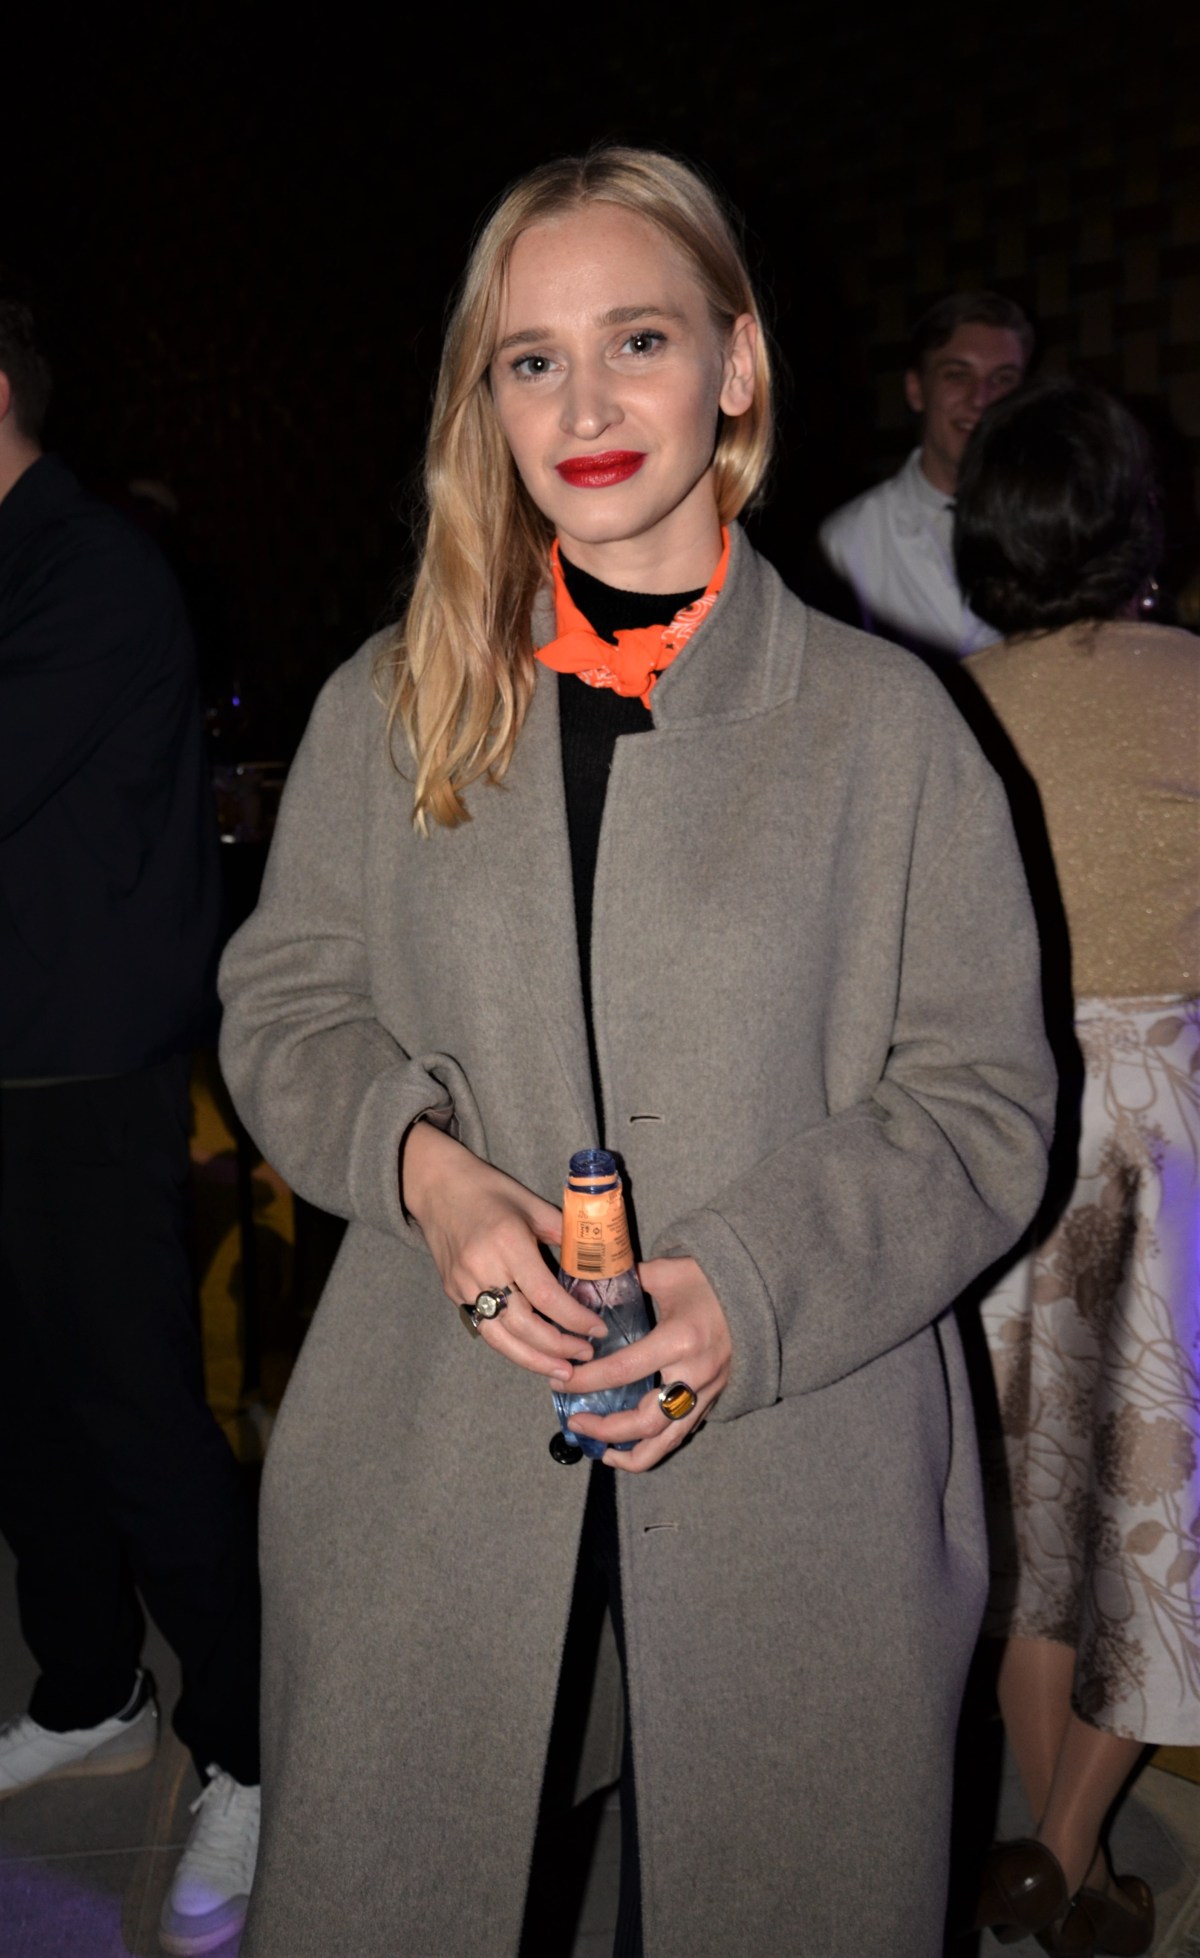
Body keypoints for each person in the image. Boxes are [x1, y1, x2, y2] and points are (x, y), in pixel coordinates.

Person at [217, 148, 1055, 1958]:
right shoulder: (394, 700)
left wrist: (750, 1282)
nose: (584, 406)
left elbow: (983, 1099)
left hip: (799, 1467)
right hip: (432, 1451)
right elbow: (282, 1006)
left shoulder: (889, 727)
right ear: (487, 397)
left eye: (639, 339)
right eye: (532, 359)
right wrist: (425, 1174)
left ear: (735, 365)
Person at [0, 280, 262, 1958]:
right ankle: (89, 1686)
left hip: (86, 1071)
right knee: (22, 1415)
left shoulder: (89, 565)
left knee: (141, 1419)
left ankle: (252, 1739)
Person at [957, 378, 1199, 1957]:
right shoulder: (1196, 685)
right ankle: (1062, 1850)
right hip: (1175, 1139)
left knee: (1031, 1534)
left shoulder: (944, 707)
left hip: (1004, 1132)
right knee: (1156, 1523)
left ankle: (1063, 1866)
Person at [818, 291, 1032, 660]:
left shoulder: (1064, 527)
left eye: (1003, 379)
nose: (980, 399)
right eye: (957, 375)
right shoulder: (848, 541)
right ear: (916, 390)